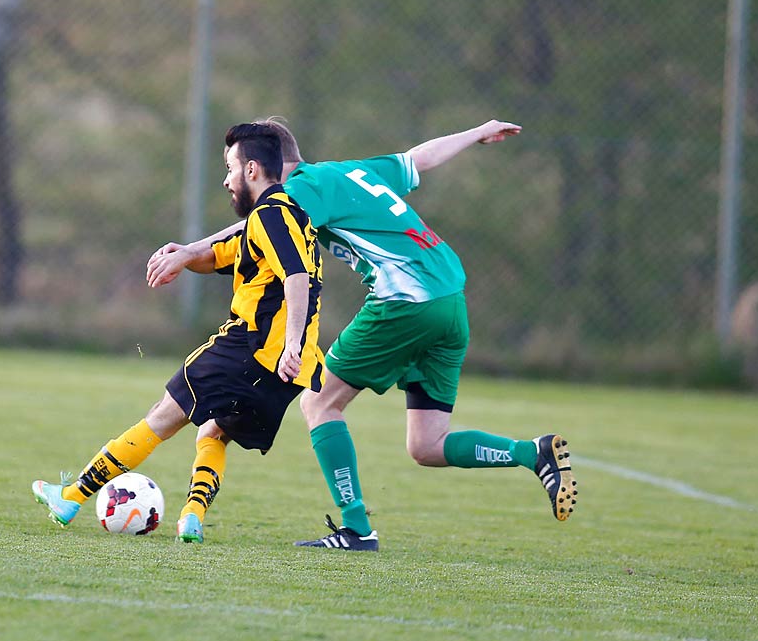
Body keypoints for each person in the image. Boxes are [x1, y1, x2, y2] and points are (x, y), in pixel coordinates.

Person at [148, 118, 574, 551]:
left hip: (404, 300)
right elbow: (419, 159)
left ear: (263, 164)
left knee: (319, 401)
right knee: (427, 445)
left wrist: (188, 252)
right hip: (449, 301)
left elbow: (256, 227)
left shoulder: (301, 189)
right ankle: (531, 453)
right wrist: (476, 132)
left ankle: (357, 529)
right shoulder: (353, 170)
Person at [32, 122, 324, 544]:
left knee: (162, 416)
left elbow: (297, 278)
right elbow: (225, 256)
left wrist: (290, 344)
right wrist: (184, 257)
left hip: (254, 349)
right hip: (288, 372)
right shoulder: (292, 219)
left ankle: (72, 497)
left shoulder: (270, 215)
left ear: (254, 170)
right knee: (213, 431)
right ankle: (191, 517)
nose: (226, 179)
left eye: (231, 168)